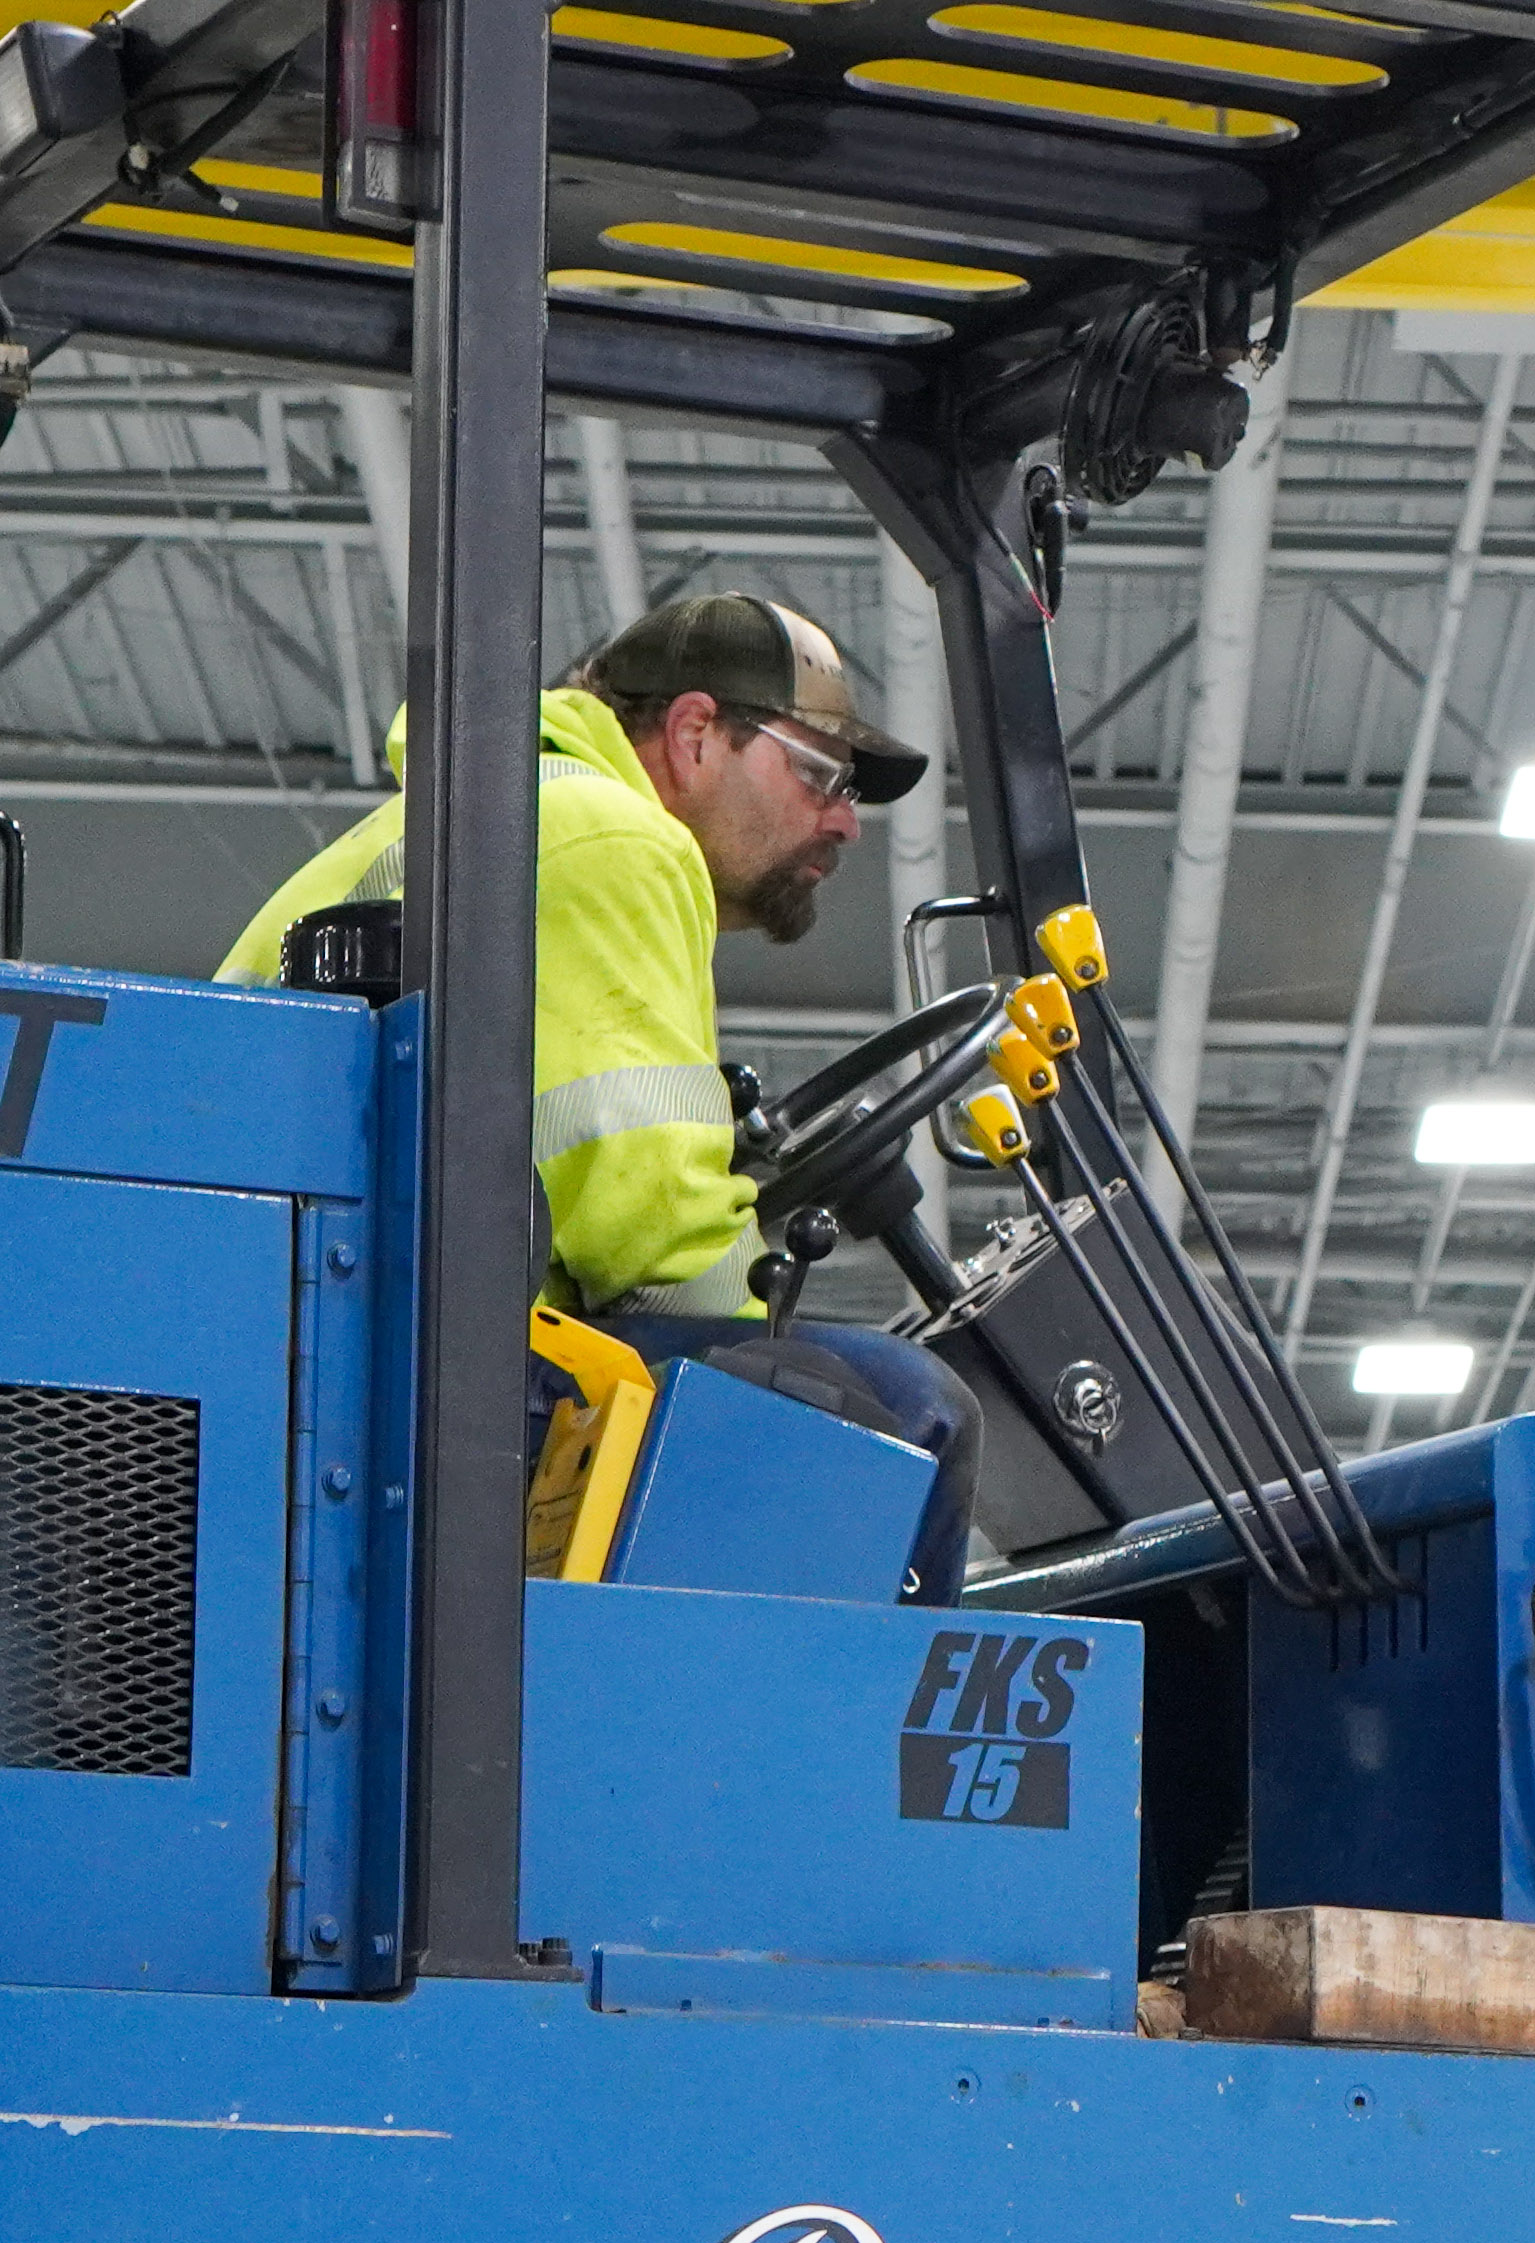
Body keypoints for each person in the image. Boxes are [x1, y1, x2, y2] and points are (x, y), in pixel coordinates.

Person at [226, 595, 981, 1602]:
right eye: (818, 773)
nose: (844, 819)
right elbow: (650, 1238)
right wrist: (772, 1340)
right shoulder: (608, 840)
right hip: (389, 1360)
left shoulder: (512, 816)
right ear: (696, 733)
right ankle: (844, 1711)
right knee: (905, 1412)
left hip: (322, 1326)